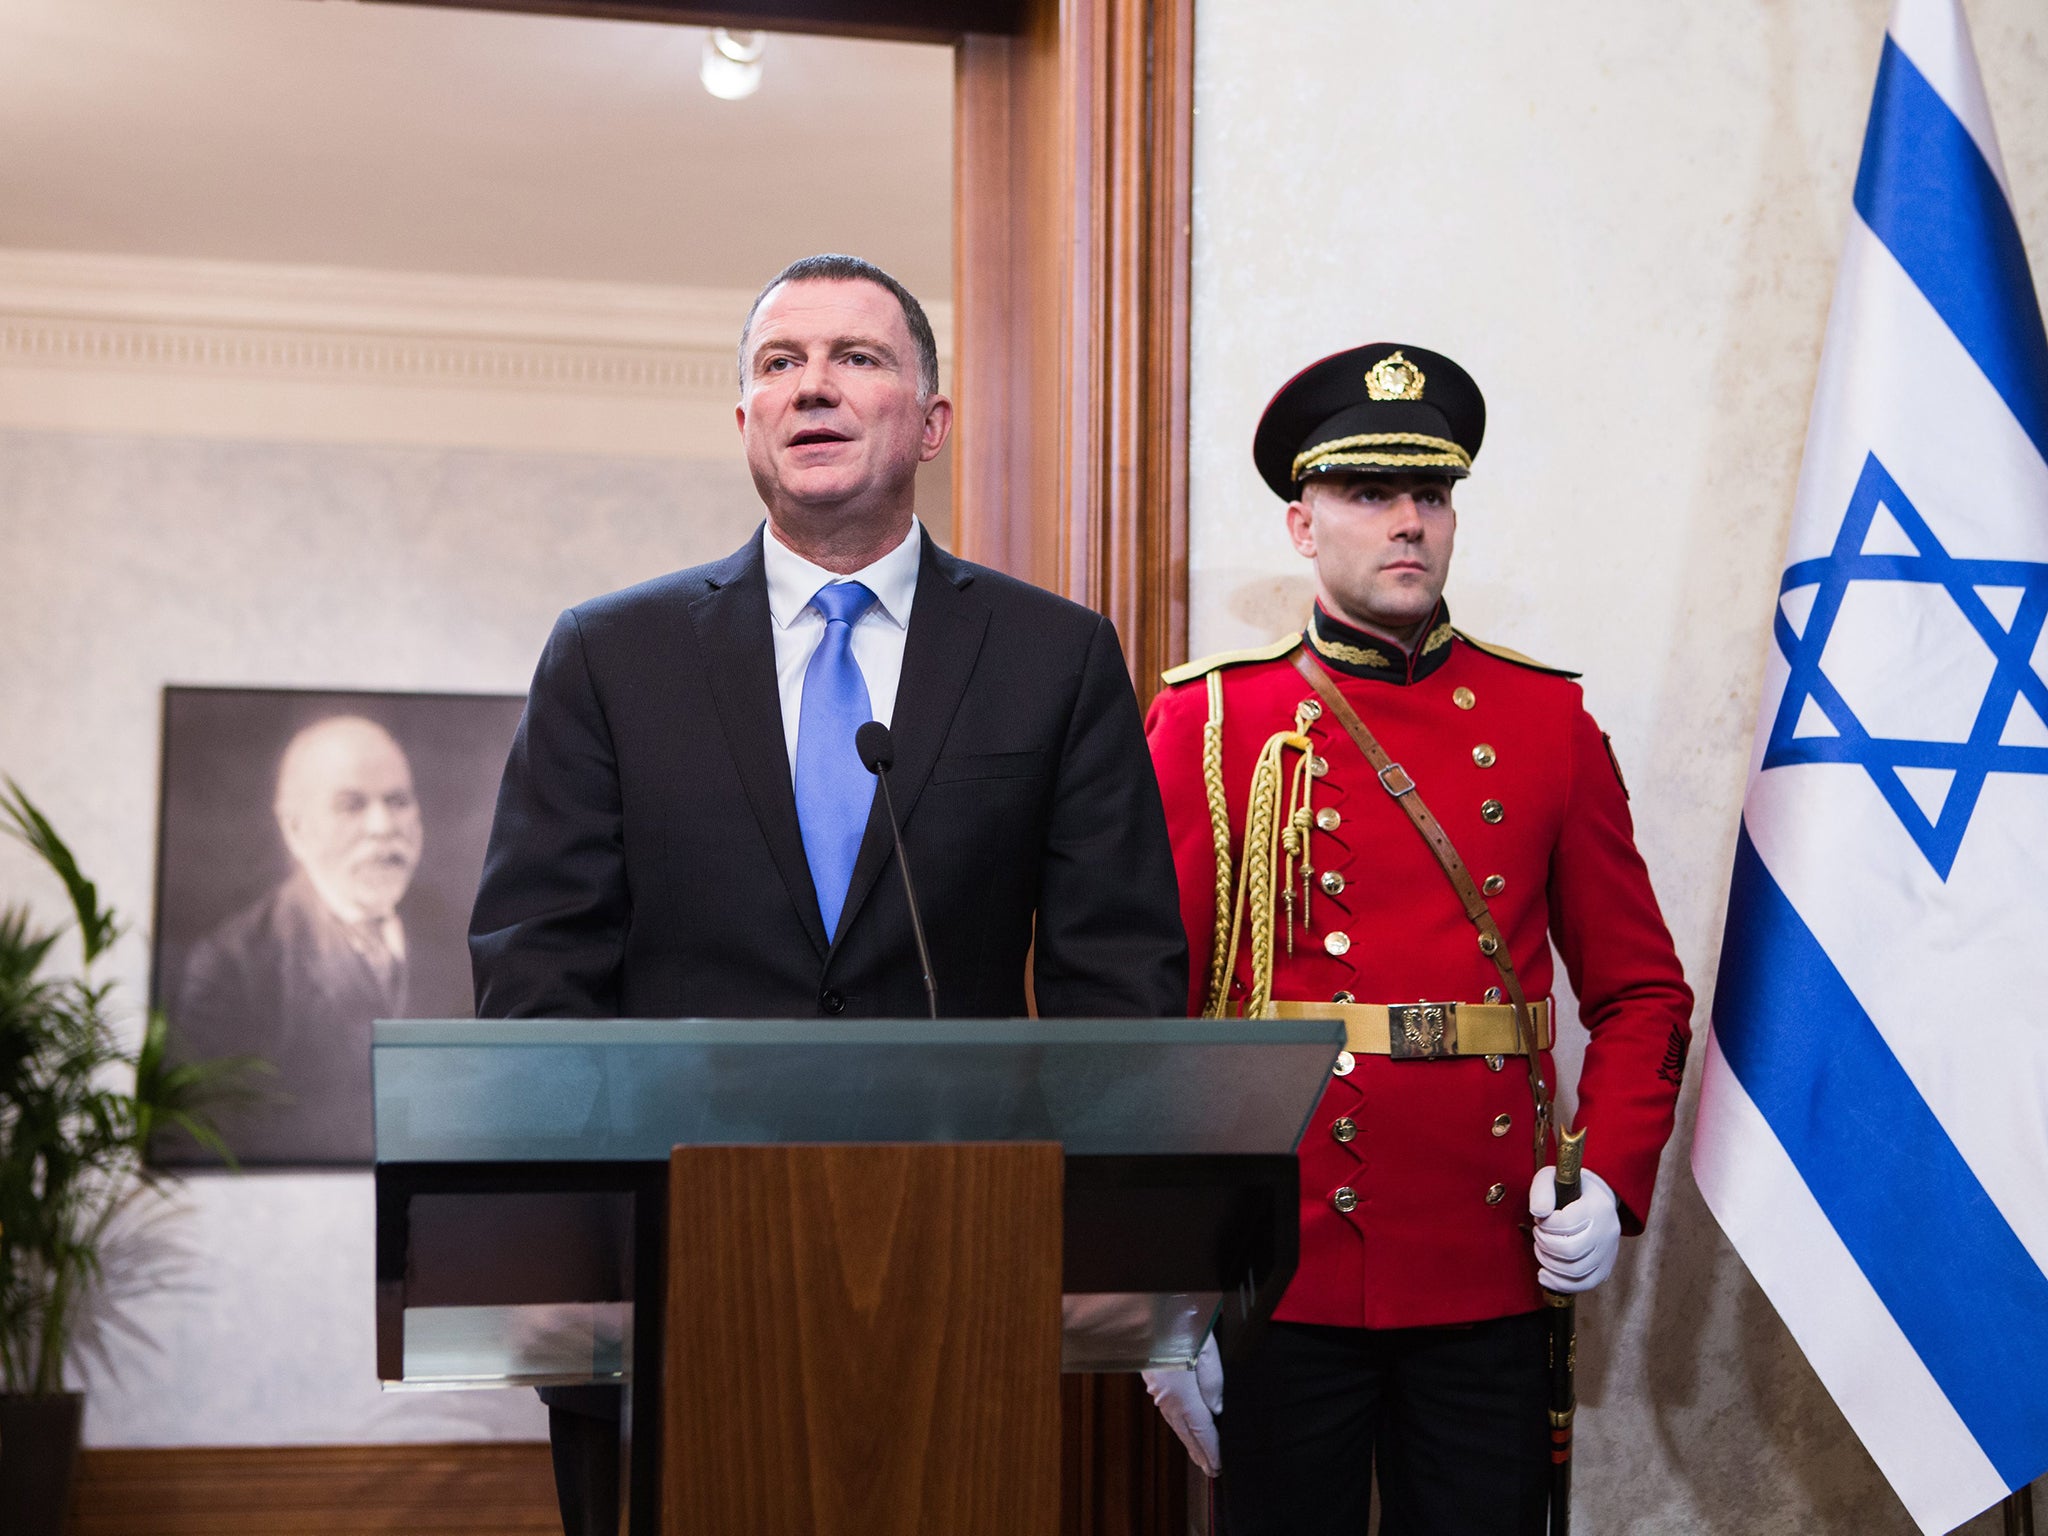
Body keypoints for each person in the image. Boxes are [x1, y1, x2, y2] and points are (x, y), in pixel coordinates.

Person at [469, 253, 1188, 1535]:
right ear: (743, 418)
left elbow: (1116, 975)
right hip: (669, 1262)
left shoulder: (1052, 656)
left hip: (960, 1259)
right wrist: (558, 1233)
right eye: (777, 364)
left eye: (857, 359)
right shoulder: (610, 654)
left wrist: (1111, 1245)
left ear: (930, 420)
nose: (813, 388)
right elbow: (536, 966)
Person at [1140, 343, 1693, 1534]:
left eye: (1428, 496)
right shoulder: (1211, 722)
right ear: (1300, 525)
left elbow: (1642, 991)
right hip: (1283, 1266)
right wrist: (1163, 1288)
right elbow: (1151, 1017)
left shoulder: (1544, 721)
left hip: (1489, 1254)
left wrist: (1606, 1176)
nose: (1407, 524)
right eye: (1366, 493)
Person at [175, 714, 470, 1163]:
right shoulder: (233, 966)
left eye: (398, 801)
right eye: (351, 805)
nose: (383, 826)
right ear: (296, 830)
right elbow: (211, 1143)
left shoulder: (462, 939)